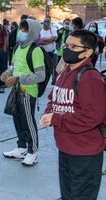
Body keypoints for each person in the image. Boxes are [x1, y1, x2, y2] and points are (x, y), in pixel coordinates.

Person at [40, 30, 106, 200]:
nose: (67, 49)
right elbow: (53, 98)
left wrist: (57, 119)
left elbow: (92, 117)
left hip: (85, 153)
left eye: (73, 46)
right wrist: (49, 113)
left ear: (88, 52)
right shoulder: (65, 72)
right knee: (68, 195)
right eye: (66, 45)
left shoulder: (90, 78)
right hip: (66, 148)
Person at [1, 19, 45, 167]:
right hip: (16, 90)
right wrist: (6, 73)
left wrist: (18, 79)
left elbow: (41, 75)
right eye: (22, 29)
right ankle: (21, 147)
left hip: (28, 91)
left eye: (25, 30)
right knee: (17, 119)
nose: (22, 32)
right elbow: (14, 66)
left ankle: (33, 152)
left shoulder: (35, 50)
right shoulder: (17, 48)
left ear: (32, 32)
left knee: (28, 122)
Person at [40, 16, 58, 84]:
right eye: (45, 21)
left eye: (48, 21)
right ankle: (44, 81)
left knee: (55, 68)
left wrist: (44, 40)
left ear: (50, 22)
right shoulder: (40, 30)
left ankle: (55, 82)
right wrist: (49, 40)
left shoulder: (53, 29)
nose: (46, 23)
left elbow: (54, 38)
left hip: (52, 52)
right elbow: (39, 41)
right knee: (45, 68)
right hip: (44, 53)